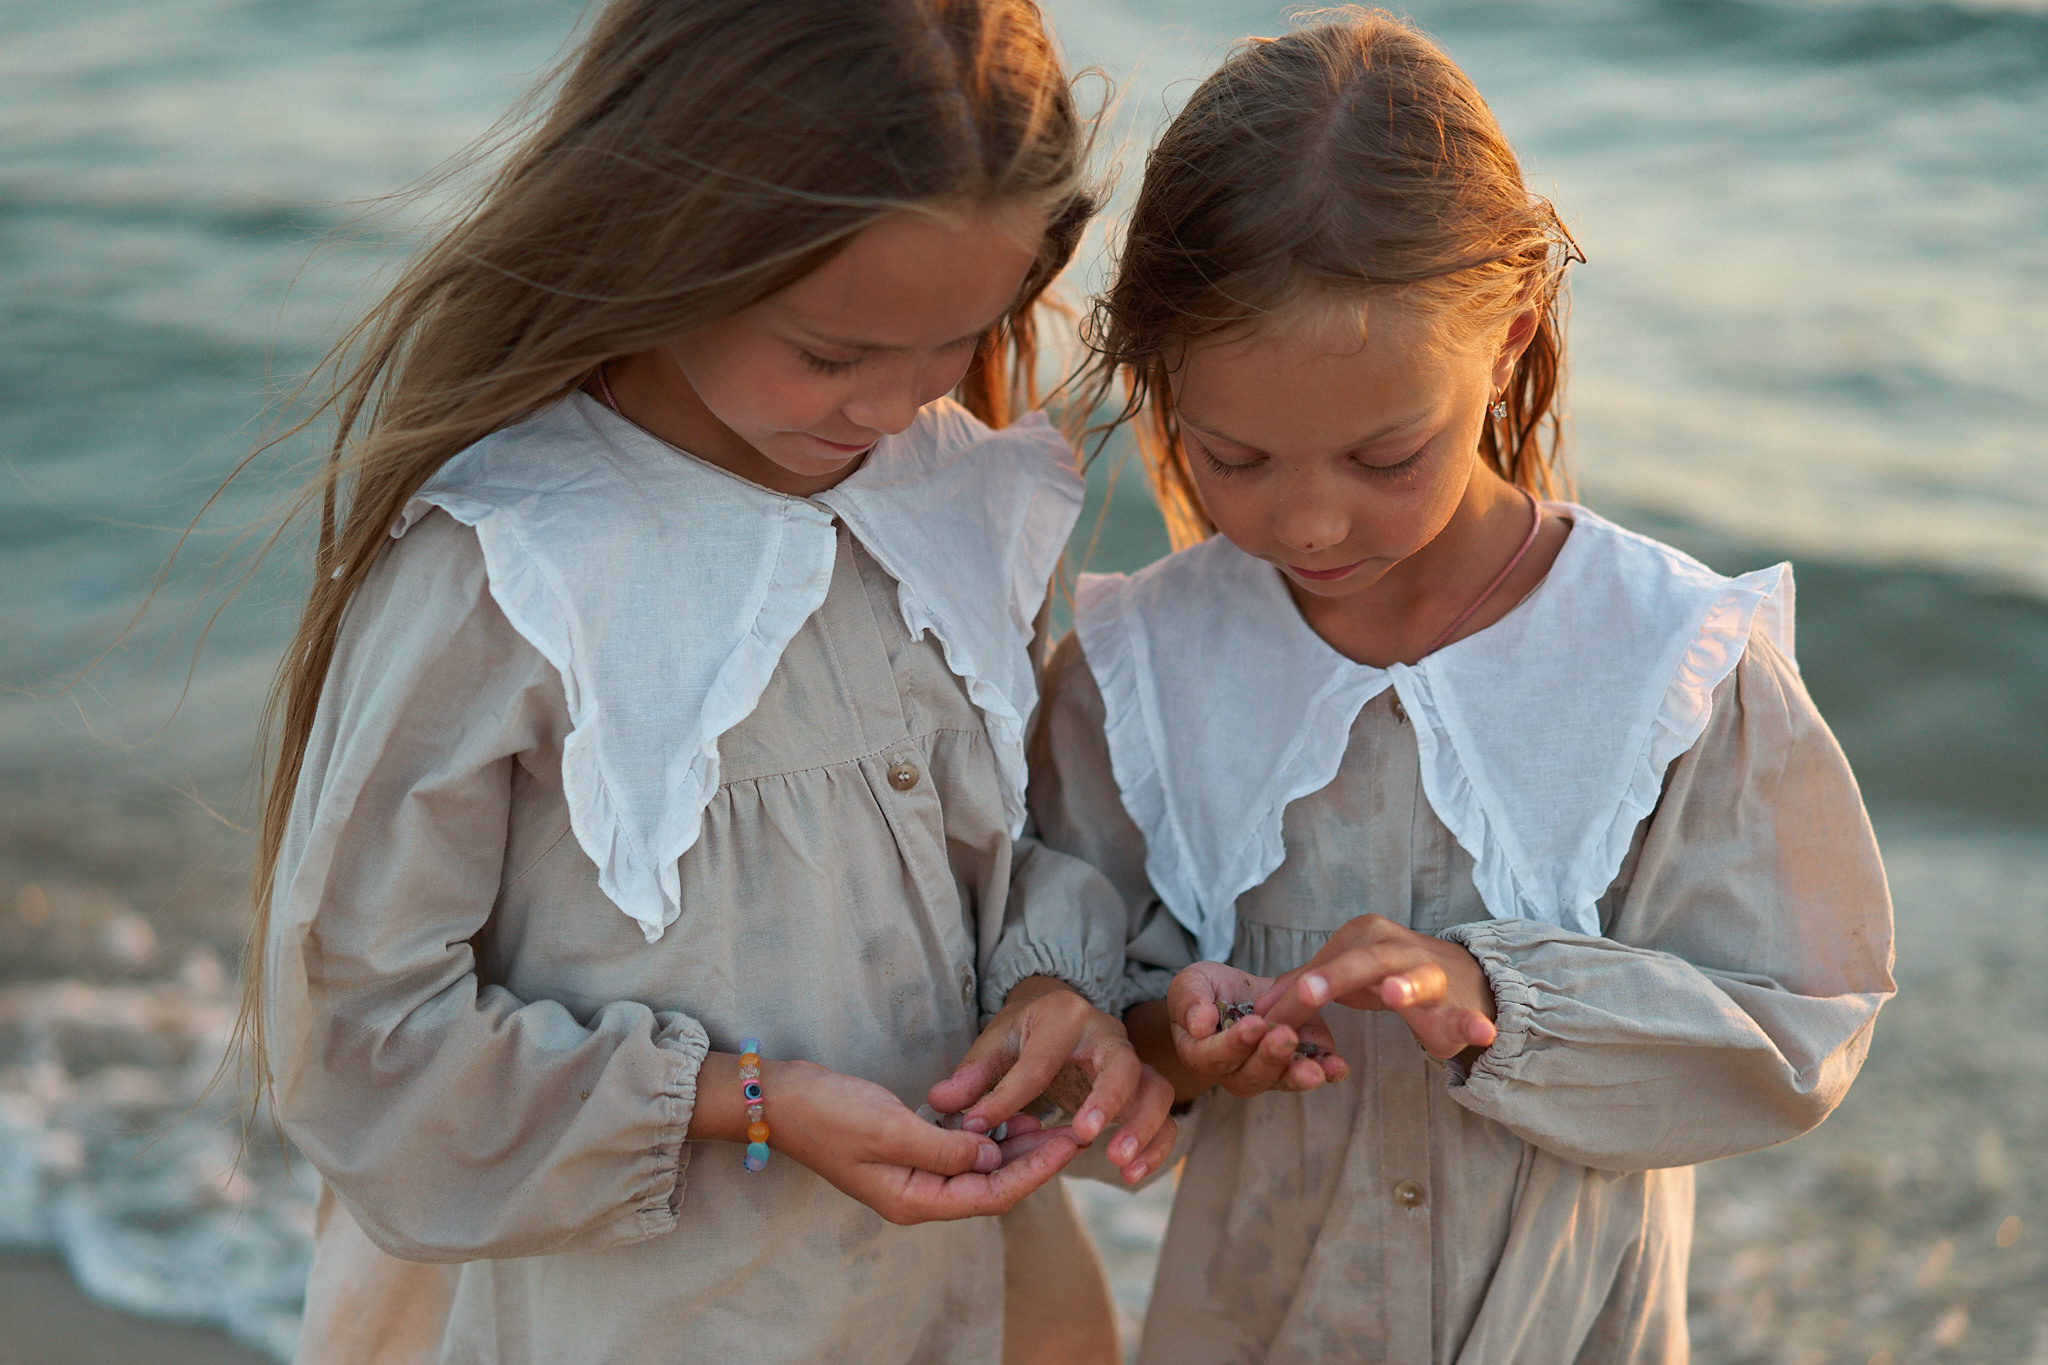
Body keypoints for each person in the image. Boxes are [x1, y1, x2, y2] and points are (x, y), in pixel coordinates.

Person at [246, 2, 1175, 1360]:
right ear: (667, 230)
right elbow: (364, 1042)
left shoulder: (948, 501)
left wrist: (1052, 988)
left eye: (951, 337)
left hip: (953, 1308)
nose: (891, 405)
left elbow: (1007, 842)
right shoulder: (513, 566)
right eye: (829, 351)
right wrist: (743, 1099)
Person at [1034, 9, 1896, 1360]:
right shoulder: (1140, 669)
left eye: (1385, 456)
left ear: (1507, 335)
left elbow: (1793, 1027)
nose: (1309, 523)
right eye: (1236, 457)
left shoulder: (1668, 658)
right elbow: (1070, 1003)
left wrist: (1498, 998)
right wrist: (1174, 1038)